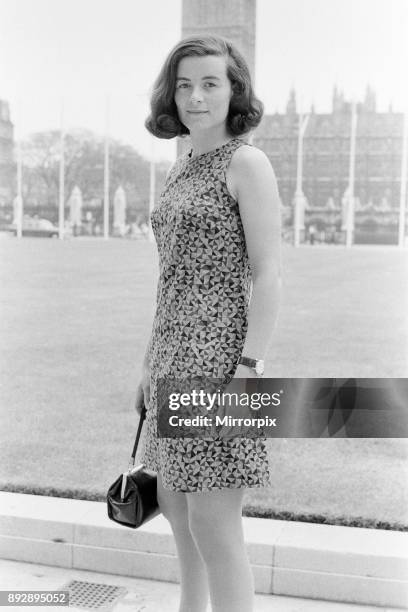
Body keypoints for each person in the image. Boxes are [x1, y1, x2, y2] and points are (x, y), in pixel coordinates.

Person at [135, 35, 281, 612]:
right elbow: (169, 282)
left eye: (210, 83)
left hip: (222, 364)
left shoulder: (247, 162)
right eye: (184, 84)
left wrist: (250, 369)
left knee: (216, 526)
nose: (196, 96)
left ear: (234, 90)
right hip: (172, 360)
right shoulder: (182, 166)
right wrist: (147, 366)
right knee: (176, 511)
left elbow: (269, 275)